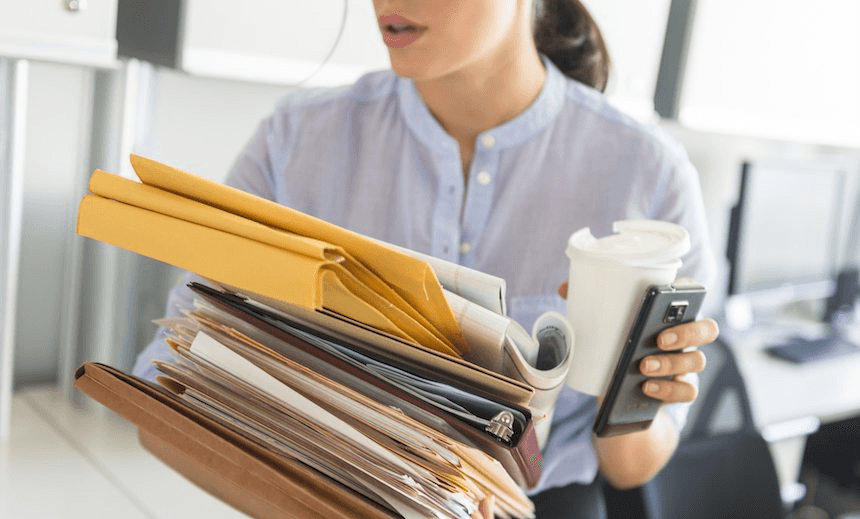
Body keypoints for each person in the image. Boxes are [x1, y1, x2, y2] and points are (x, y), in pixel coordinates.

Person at [133, 0, 720, 516]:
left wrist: (624, 388)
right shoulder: (293, 144)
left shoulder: (649, 177)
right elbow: (168, 385)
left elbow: (630, 467)